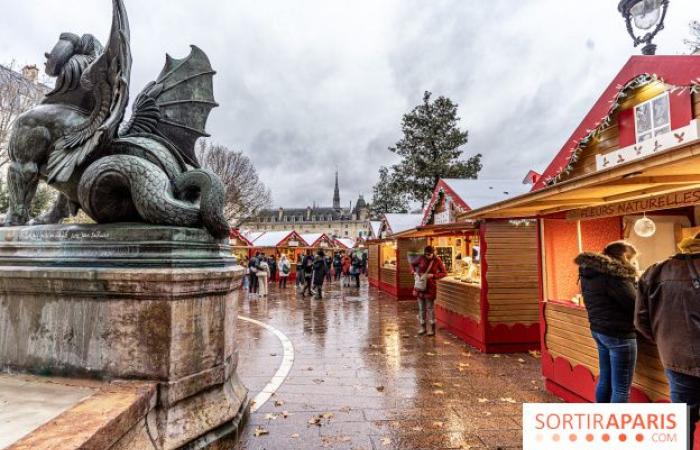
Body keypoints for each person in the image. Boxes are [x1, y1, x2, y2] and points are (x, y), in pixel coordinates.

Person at [637, 232, 700, 448]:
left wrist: (666, 342)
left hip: (675, 359)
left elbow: (641, 321)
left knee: (682, 420)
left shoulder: (655, 271)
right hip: (678, 358)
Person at [575, 241, 639, 403]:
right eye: (632, 259)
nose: (633, 263)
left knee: (605, 379)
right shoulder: (616, 276)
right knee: (621, 388)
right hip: (620, 335)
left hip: (599, 331)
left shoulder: (590, 271)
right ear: (624, 256)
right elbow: (634, 305)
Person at [411, 246, 447, 336]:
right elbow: (412, 264)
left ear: (433, 253)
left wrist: (433, 276)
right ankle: (422, 327)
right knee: (421, 309)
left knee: (430, 308)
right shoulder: (421, 258)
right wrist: (414, 272)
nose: (428, 256)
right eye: (426, 254)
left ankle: (432, 329)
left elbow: (444, 273)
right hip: (419, 287)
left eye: (429, 254)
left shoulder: (437, 260)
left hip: (430, 287)